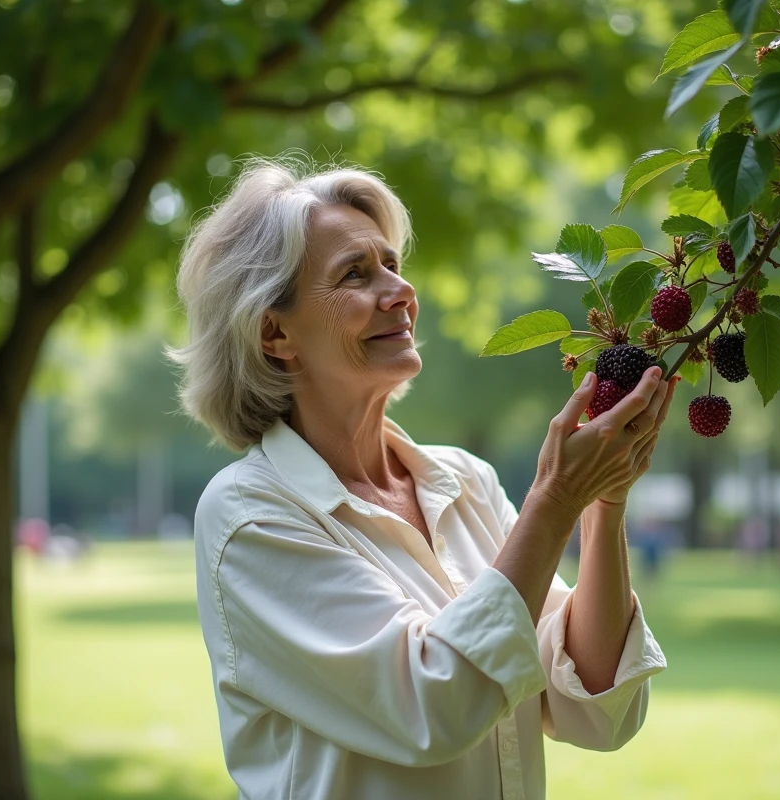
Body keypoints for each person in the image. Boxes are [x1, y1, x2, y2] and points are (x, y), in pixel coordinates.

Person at [169, 155, 679, 800]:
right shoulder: (250, 514)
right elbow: (433, 707)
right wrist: (554, 501)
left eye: (392, 265)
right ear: (276, 332)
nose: (399, 290)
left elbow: (593, 702)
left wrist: (603, 504)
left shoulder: (463, 480)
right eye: (355, 274)